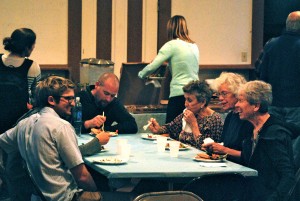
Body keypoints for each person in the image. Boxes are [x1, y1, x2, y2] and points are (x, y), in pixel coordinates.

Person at [0, 76, 105, 201]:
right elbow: (82, 177)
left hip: (37, 197)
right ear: (51, 100)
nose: (73, 103)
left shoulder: (24, 124)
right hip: (66, 197)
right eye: (68, 98)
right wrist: (98, 196)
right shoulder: (61, 127)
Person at [235, 80, 295, 201]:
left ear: (256, 106)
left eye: (241, 100)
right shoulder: (252, 128)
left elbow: (288, 176)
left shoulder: (273, 135)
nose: (236, 105)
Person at [0, 28, 41, 199]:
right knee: (15, 162)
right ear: (29, 47)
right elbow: (36, 95)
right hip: (18, 121)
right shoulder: (31, 66)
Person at [138, 15, 199, 123]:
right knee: (189, 131)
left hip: (179, 94)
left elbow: (153, 65)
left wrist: (140, 74)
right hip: (196, 95)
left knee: (171, 130)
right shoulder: (194, 46)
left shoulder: (171, 45)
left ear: (170, 29)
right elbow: (184, 65)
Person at [148, 80, 223, 149]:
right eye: (185, 99)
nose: (185, 104)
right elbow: (170, 128)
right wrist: (158, 129)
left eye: (189, 100)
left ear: (203, 102)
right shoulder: (188, 113)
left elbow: (209, 149)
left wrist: (193, 124)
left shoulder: (214, 120)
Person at [257, 11, 300, 127]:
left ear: (287, 25)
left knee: (275, 134)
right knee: (294, 139)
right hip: (296, 104)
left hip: (274, 101)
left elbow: (260, 70)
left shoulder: (271, 44)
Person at [202, 72, 253, 164]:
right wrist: (213, 148)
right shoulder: (230, 116)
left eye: (224, 94)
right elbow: (224, 145)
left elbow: (250, 156)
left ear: (237, 94)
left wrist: (224, 150)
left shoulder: (248, 118)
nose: (220, 98)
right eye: (219, 94)